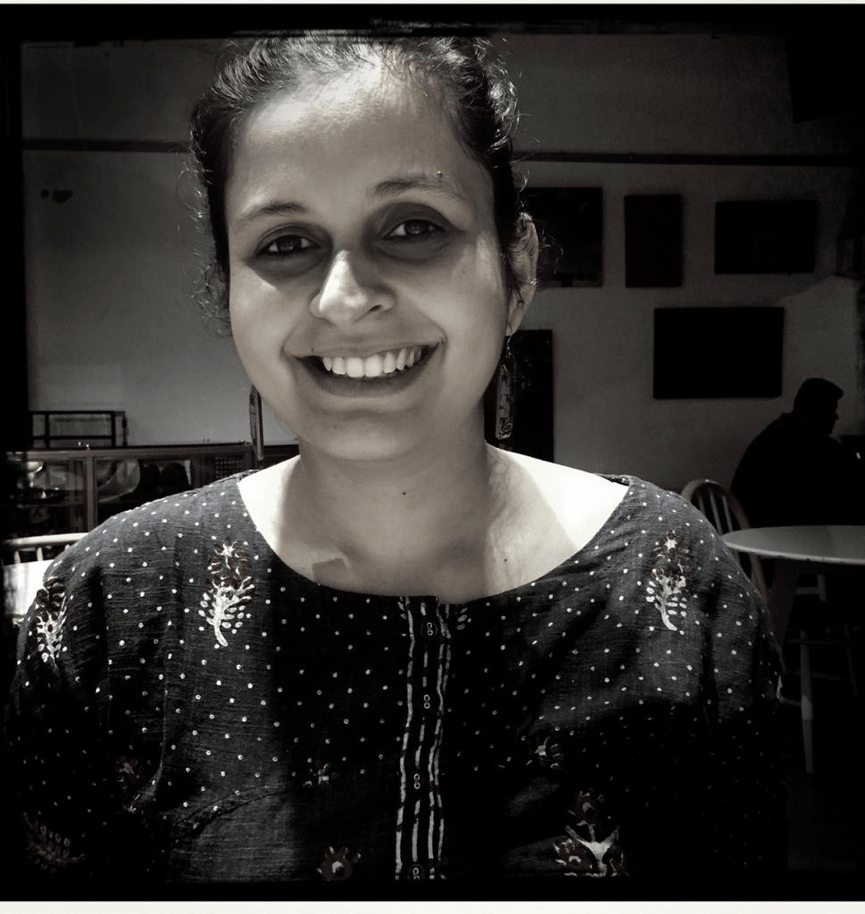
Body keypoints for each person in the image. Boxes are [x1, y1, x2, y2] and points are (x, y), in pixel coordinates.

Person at [4, 33, 784, 890]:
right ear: (228, 291)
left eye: (413, 227)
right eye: (284, 243)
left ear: (516, 267)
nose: (345, 298)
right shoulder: (118, 601)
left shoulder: (670, 585)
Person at [731, 377, 865, 527]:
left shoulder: (778, 431)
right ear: (817, 409)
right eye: (831, 409)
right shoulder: (808, 441)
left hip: (755, 528)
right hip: (779, 530)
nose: (836, 416)